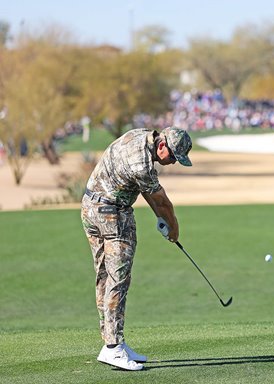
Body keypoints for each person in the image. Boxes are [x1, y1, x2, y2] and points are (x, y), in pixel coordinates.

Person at [80, 127, 192, 371]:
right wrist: (173, 229)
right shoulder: (142, 164)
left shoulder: (139, 135)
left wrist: (161, 218)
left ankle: (111, 342)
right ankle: (113, 348)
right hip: (113, 215)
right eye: (173, 157)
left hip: (90, 208)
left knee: (104, 277)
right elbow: (161, 201)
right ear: (162, 146)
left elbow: (148, 194)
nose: (172, 163)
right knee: (118, 280)